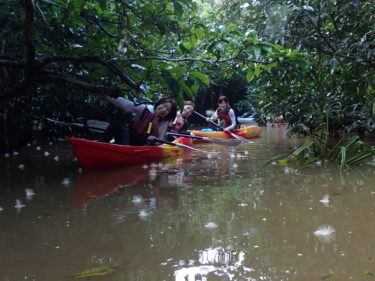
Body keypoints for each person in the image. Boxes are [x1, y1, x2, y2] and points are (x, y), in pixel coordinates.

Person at [100, 95, 177, 146]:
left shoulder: (163, 123)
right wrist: (107, 97)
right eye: (164, 105)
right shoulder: (144, 109)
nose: (164, 110)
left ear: (169, 114)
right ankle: (101, 145)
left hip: (140, 144)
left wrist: (154, 140)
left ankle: (124, 151)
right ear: (159, 103)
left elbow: (159, 141)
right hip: (128, 138)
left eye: (167, 110)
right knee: (116, 124)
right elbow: (126, 104)